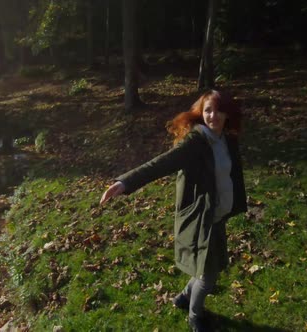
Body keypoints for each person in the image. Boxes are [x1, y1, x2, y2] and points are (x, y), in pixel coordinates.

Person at [100, 90, 247, 332]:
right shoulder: (196, 142)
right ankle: (195, 316)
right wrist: (124, 182)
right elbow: (162, 163)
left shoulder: (227, 140)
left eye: (219, 110)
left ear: (227, 114)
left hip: (218, 215)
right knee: (209, 275)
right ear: (201, 113)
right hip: (202, 217)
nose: (213, 116)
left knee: (209, 266)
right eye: (207, 110)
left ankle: (183, 297)